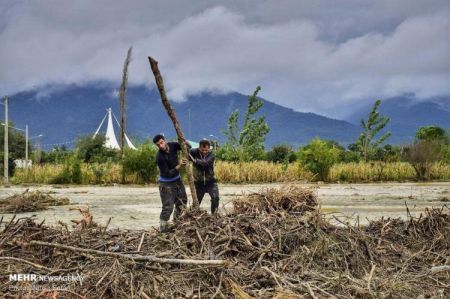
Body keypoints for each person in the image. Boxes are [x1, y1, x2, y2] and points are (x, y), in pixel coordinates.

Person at [153, 134, 188, 232]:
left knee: (182, 202)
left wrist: (183, 140)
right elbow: (167, 173)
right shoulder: (159, 157)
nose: (160, 146)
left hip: (177, 180)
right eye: (158, 145)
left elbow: (185, 147)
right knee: (168, 207)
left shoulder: (173, 145)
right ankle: (163, 230)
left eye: (161, 143)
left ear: (165, 140)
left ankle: (176, 223)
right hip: (166, 184)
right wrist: (180, 165)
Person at [189, 138, 220, 214]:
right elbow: (187, 153)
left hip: (210, 181)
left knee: (215, 198)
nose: (204, 152)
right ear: (199, 148)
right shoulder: (194, 152)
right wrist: (186, 146)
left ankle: (214, 215)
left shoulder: (211, 155)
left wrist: (195, 160)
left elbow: (205, 163)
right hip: (198, 183)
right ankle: (193, 216)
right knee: (196, 203)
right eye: (202, 150)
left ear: (209, 149)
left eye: (206, 150)